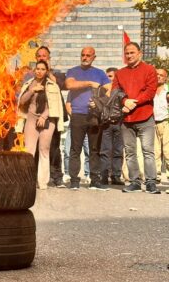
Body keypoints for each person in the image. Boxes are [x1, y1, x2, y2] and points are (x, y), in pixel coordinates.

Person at [114, 43, 159, 194]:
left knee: (148, 151)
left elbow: (150, 91)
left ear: (139, 53)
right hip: (126, 119)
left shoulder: (149, 69)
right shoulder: (120, 73)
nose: (129, 55)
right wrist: (124, 101)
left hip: (145, 117)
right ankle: (134, 182)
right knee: (130, 152)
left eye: (132, 52)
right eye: (127, 53)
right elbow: (116, 91)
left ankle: (151, 182)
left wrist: (133, 103)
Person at [65, 47, 110, 191]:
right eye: (83, 55)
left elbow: (109, 90)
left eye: (88, 55)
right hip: (78, 115)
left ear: (94, 57)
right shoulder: (73, 71)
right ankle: (74, 180)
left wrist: (98, 102)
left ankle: (94, 181)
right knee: (75, 149)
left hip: (95, 116)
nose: (85, 57)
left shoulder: (100, 73)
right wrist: (90, 83)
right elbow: (70, 84)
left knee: (94, 149)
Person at [17, 61, 64, 189]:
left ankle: (42, 182)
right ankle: (27, 180)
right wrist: (32, 90)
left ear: (46, 71)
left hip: (47, 120)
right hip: (31, 118)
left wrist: (44, 115)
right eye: (37, 68)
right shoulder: (28, 84)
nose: (39, 71)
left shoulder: (53, 86)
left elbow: (55, 105)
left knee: (44, 150)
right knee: (29, 151)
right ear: (34, 70)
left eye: (43, 69)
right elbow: (21, 102)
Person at [99, 67, 125, 186]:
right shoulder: (102, 90)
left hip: (119, 123)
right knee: (105, 150)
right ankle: (104, 176)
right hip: (106, 124)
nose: (108, 79)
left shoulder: (121, 90)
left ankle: (116, 176)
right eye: (107, 76)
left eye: (110, 76)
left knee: (118, 151)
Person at [153, 68, 169, 186]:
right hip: (153, 123)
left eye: (161, 75)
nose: (158, 77)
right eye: (156, 74)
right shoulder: (151, 90)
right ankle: (156, 175)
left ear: (166, 78)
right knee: (155, 151)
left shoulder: (167, 90)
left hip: (166, 122)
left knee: (167, 151)